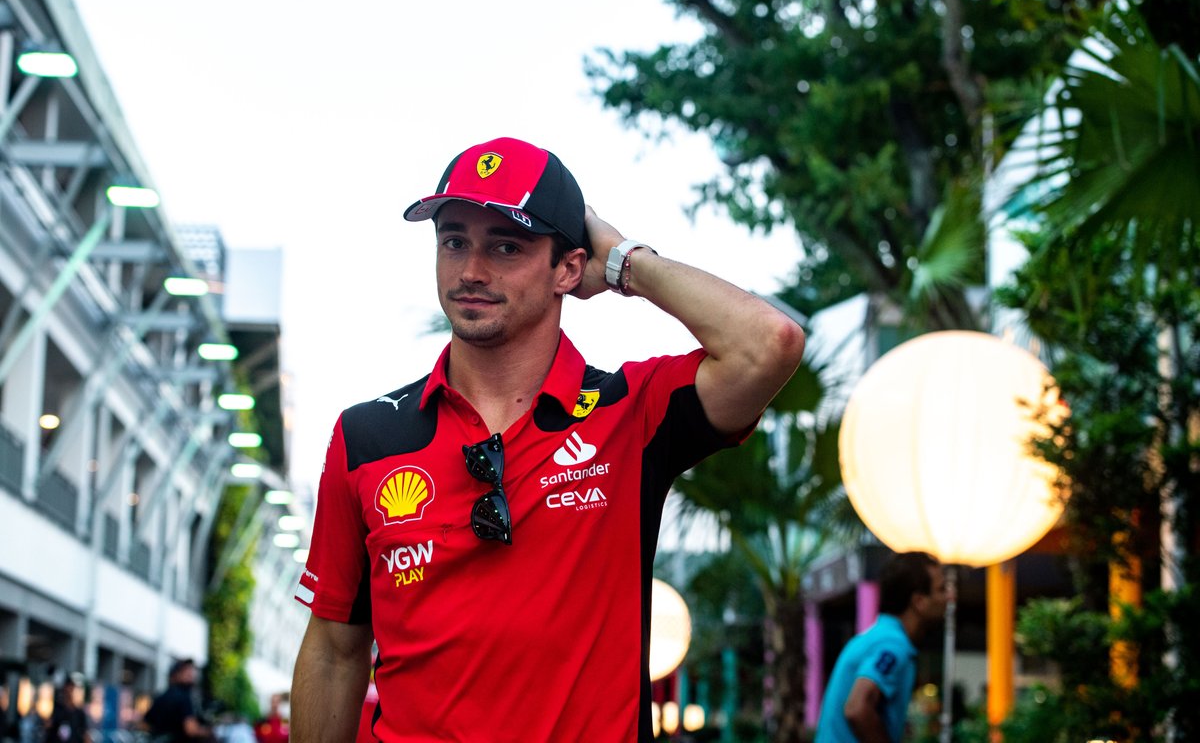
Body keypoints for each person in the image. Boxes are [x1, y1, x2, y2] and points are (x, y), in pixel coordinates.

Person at [290, 136, 806, 742]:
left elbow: (768, 343)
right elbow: (333, 650)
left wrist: (622, 261)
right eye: (454, 241)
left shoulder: (628, 414)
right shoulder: (367, 435)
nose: (471, 271)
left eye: (506, 246)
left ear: (568, 268)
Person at [814, 551, 948, 743]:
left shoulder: (876, 637)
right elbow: (857, 708)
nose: (949, 597)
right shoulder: (893, 646)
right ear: (919, 601)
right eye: (942, 589)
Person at [143, 659, 211, 742]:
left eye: (191, 670)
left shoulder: (161, 697)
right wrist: (207, 732)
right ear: (175, 675)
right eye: (186, 671)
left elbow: (144, 724)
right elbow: (190, 729)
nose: (191, 674)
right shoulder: (184, 697)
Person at [45, 678, 91, 743]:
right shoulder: (56, 709)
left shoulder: (80, 713)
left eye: (72, 689)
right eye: (68, 689)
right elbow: (48, 726)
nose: (70, 692)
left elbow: (85, 734)